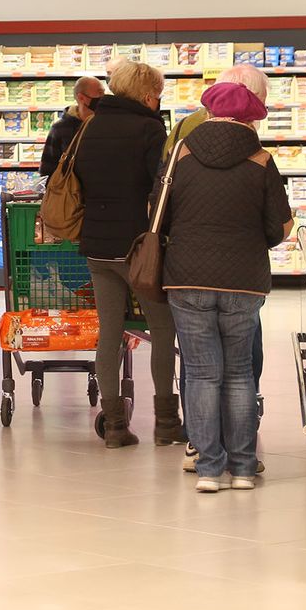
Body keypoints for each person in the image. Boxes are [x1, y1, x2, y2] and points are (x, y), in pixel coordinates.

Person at [153, 81, 293, 493]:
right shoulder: (262, 160)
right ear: (251, 118)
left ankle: (210, 468)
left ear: (208, 112)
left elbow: (158, 214)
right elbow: (277, 229)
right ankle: (244, 467)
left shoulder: (181, 154)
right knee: (238, 373)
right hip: (244, 280)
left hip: (186, 275)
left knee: (200, 373)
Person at [70, 60, 184, 448]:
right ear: (148, 94)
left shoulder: (90, 125)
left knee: (110, 333)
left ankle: (115, 425)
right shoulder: (152, 129)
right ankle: (167, 422)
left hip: (97, 246)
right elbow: (161, 187)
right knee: (162, 329)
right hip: (139, 246)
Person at [39, 76, 104, 176]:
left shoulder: (105, 124)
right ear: (81, 97)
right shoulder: (60, 128)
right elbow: (47, 168)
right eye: (99, 92)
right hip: (70, 189)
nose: (103, 96)